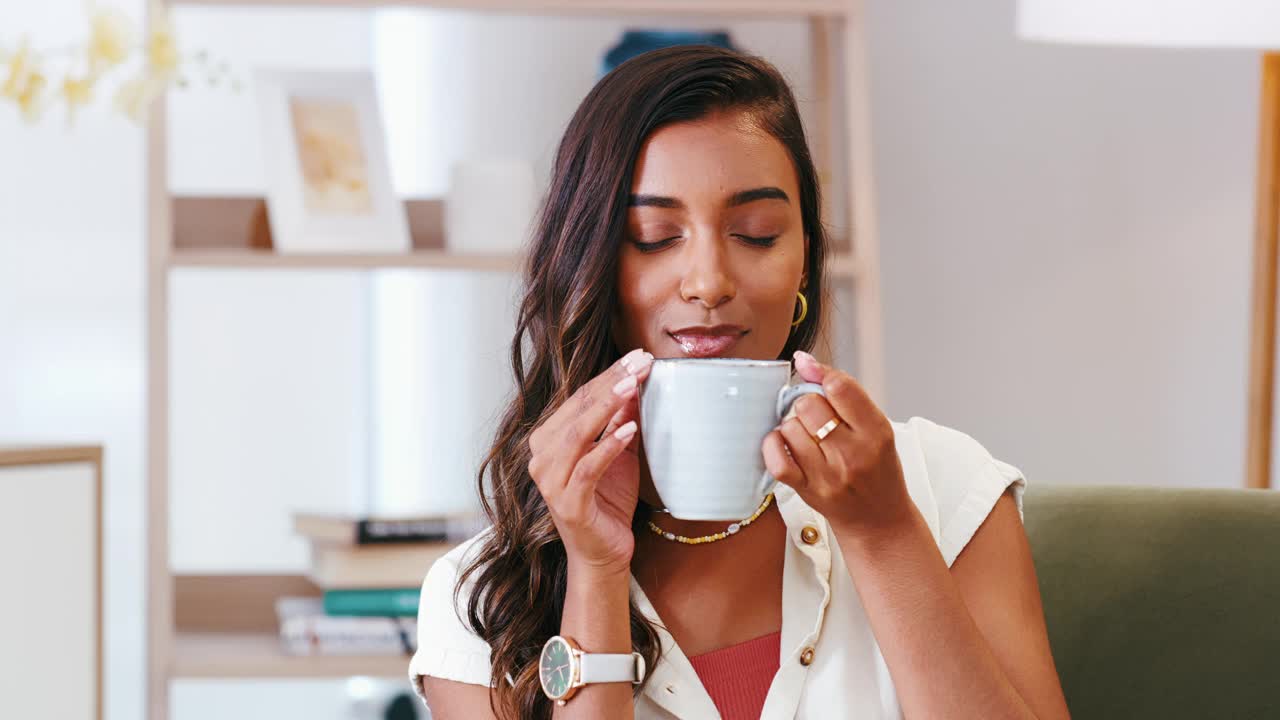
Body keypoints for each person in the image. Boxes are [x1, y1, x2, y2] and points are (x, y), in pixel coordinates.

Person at [409, 45, 1071, 720]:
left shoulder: (941, 488)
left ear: (806, 263)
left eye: (756, 234)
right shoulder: (478, 600)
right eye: (654, 236)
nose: (709, 283)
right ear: (593, 276)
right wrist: (596, 572)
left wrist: (884, 535)